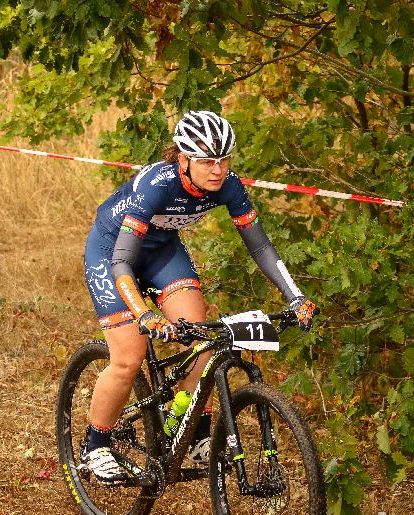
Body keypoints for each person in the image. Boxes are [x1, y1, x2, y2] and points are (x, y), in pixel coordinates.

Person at [81, 110, 317, 485]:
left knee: (202, 338)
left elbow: (260, 247)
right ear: (183, 159)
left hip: (161, 252)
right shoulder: (156, 185)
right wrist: (144, 313)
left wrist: (295, 296)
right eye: (207, 161)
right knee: (129, 356)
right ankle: (95, 445)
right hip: (112, 250)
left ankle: (194, 432)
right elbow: (122, 261)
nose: (217, 170)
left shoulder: (229, 185)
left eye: (224, 160)